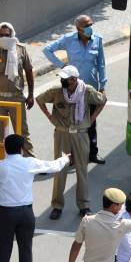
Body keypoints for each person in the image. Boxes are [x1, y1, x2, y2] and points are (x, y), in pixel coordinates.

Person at [36, 65, 107, 220]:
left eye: (65, 78)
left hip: (80, 134)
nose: (62, 80)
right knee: (60, 170)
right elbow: (39, 99)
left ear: (74, 79)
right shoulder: (56, 91)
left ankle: (84, 206)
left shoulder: (86, 90)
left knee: (82, 170)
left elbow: (102, 100)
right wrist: (49, 116)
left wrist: (92, 118)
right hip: (62, 134)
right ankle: (57, 206)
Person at [43, 14, 107, 164]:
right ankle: (69, 156)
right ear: (78, 28)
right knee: (70, 123)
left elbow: (101, 64)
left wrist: (103, 86)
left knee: (90, 123)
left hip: (90, 88)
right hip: (72, 88)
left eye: (91, 24)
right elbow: (47, 50)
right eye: (86, 25)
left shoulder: (97, 40)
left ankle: (92, 153)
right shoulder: (68, 39)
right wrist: (62, 66)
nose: (90, 27)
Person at [0, 22, 35, 157]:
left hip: (16, 97)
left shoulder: (21, 49)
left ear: (12, 34)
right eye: (1, 35)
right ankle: (3, 159)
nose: (4, 37)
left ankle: (29, 158)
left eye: (7, 35)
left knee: (22, 131)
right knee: (1, 132)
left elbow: (29, 72)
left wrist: (31, 95)